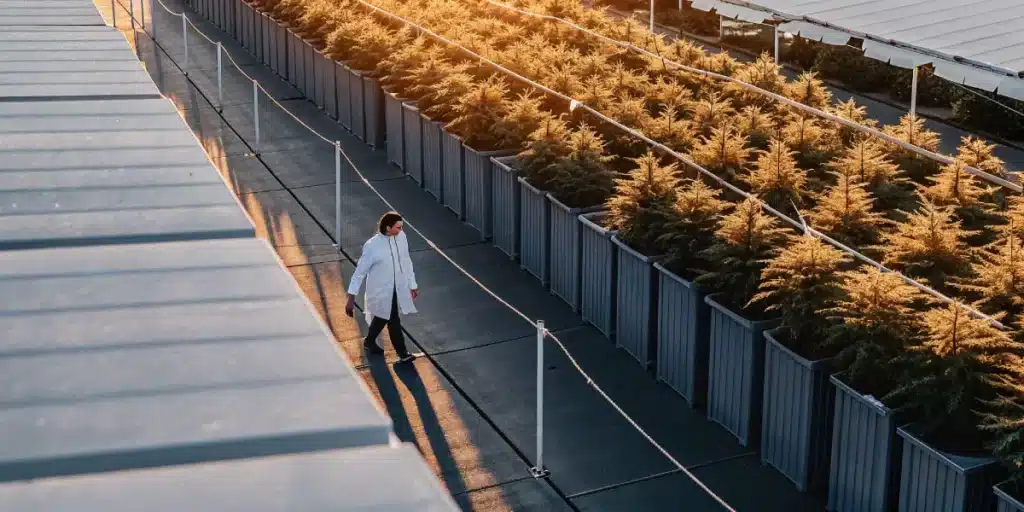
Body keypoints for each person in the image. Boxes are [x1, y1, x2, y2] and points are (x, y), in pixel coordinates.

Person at [345, 211, 422, 364]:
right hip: (380, 290)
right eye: (398, 227)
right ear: (388, 227)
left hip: (396, 287)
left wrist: (412, 285)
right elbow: (360, 272)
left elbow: (406, 261)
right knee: (393, 318)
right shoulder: (372, 246)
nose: (401, 230)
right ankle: (402, 353)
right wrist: (351, 298)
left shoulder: (401, 238)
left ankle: (369, 341)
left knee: (383, 316)